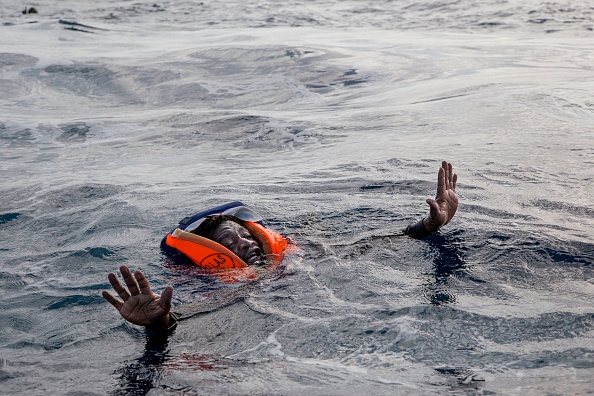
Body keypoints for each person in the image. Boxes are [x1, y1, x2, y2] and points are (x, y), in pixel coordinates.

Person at [102, 161, 458, 331]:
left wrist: (429, 224)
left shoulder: (304, 258)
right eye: (229, 242)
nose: (244, 242)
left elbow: (373, 244)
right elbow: (188, 314)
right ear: (215, 257)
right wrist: (158, 322)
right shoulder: (229, 293)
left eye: (244, 234)